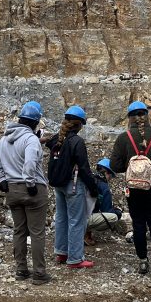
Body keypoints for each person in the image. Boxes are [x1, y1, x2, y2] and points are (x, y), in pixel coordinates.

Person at [0, 100, 51, 285]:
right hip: (32, 190)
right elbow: (30, 163)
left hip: (12, 190)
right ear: (35, 122)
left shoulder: (4, 139)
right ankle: (39, 273)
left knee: (19, 230)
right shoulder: (31, 139)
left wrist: (1, 180)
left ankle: (21, 270)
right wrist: (30, 182)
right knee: (37, 232)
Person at [110, 101, 151, 278]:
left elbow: (115, 165)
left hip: (133, 189)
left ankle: (142, 261)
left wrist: (130, 167)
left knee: (138, 224)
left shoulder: (123, 138)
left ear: (130, 118)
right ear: (147, 116)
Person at [45, 105, 98, 269]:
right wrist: (94, 188)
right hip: (73, 185)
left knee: (61, 218)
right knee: (76, 221)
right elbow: (84, 168)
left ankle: (62, 252)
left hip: (58, 184)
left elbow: (49, 143)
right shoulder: (77, 141)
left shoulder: (58, 138)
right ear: (79, 124)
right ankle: (75, 258)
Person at [86, 158, 126, 242]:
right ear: (106, 172)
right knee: (114, 217)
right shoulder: (103, 186)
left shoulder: (88, 179)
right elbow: (108, 211)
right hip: (83, 219)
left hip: (71, 217)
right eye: (111, 176)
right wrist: (118, 212)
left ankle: (85, 234)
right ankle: (84, 233)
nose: (110, 179)